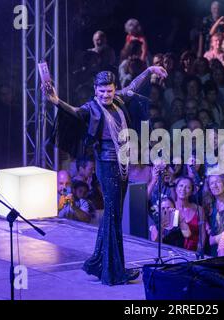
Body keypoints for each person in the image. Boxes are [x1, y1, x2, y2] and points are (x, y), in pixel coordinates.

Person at [42, 65, 168, 285]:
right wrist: (55, 101)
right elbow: (73, 111)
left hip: (124, 162)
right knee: (112, 216)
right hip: (107, 165)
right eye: (101, 91)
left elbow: (133, 86)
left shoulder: (118, 100)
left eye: (109, 91)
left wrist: (148, 70)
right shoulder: (91, 107)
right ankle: (113, 271)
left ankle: (102, 264)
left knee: (114, 217)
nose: (106, 95)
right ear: (95, 90)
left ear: (114, 89)